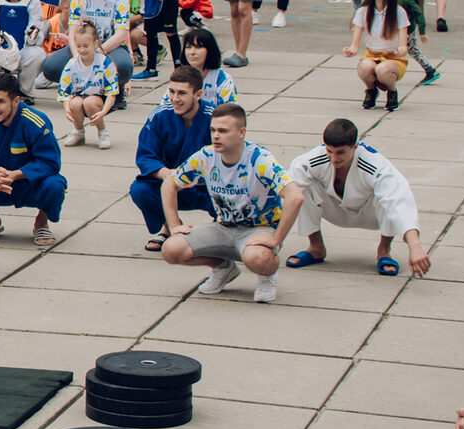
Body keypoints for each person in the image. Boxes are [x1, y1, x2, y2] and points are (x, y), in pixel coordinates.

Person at [160, 102, 301, 304]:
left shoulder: (260, 160)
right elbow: (169, 184)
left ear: (241, 132)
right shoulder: (206, 156)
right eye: (213, 130)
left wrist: (276, 238)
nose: (216, 136)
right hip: (223, 227)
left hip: (258, 229)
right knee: (171, 250)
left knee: (257, 258)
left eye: (223, 131)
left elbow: (295, 197)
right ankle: (223, 269)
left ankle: (267, 276)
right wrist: (174, 225)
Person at [286, 118, 429, 278]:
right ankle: (316, 247)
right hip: (334, 209)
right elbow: (285, 192)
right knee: (295, 189)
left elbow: (399, 200)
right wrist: (272, 236)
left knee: (388, 196)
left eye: (340, 152)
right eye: (329, 151)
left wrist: (415, 246)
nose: (334, 159)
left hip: (370, 214)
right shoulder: (312, 160)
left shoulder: (375, 164)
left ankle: (384, 251)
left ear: (355, 146)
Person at [0, 73, 66, 248]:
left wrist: (15, 175)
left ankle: (41, 222)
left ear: (16, 101)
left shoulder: (35, 121)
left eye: (0, 101)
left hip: (27, 183)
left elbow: (50, 162)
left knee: (55, 185)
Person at [131, 65, 213, 252]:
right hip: (171, 185)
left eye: (182, 93)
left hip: (205, 187)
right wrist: (166, 174)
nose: (175, 99)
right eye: (171, 91)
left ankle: (223, 229)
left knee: (228, 191)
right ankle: (168, 226)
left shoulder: (213, 117)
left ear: (198, 94)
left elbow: (228, 156)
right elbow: (146, 155)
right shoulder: (159, 116)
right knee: (140, 190)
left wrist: (193, 178)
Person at [43, 0, 131, 95]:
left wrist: (97, 52)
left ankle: (115, 91)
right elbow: (73, 32)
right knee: (50, 67)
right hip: (83, 45)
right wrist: (77, 56)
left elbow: (121, 34)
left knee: (123, 66)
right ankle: (83, 86)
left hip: (110, 47)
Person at [346, 0, 408, 112]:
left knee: (383, 69)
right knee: (364, 66)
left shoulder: (399, 12)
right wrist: (350, 51)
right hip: (371, 54)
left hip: (393, 59)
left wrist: (402, 49)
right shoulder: (363, 11)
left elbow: (403, 45)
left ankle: (392, 92)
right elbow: (355, 46)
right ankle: (371, 90)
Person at [56, 22, 118, 150]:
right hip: (79, 96)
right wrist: (67, 108)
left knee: (89, 102)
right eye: (78, 46)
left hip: (99, 99)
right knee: (75, 103)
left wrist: (103, 112)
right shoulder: (72, 63)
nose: (82, 50)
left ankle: (102, 131)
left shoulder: (104, 62)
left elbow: (112, 91)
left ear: (95, 44)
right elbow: (64, 90)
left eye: (86, 46)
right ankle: (78, 131)